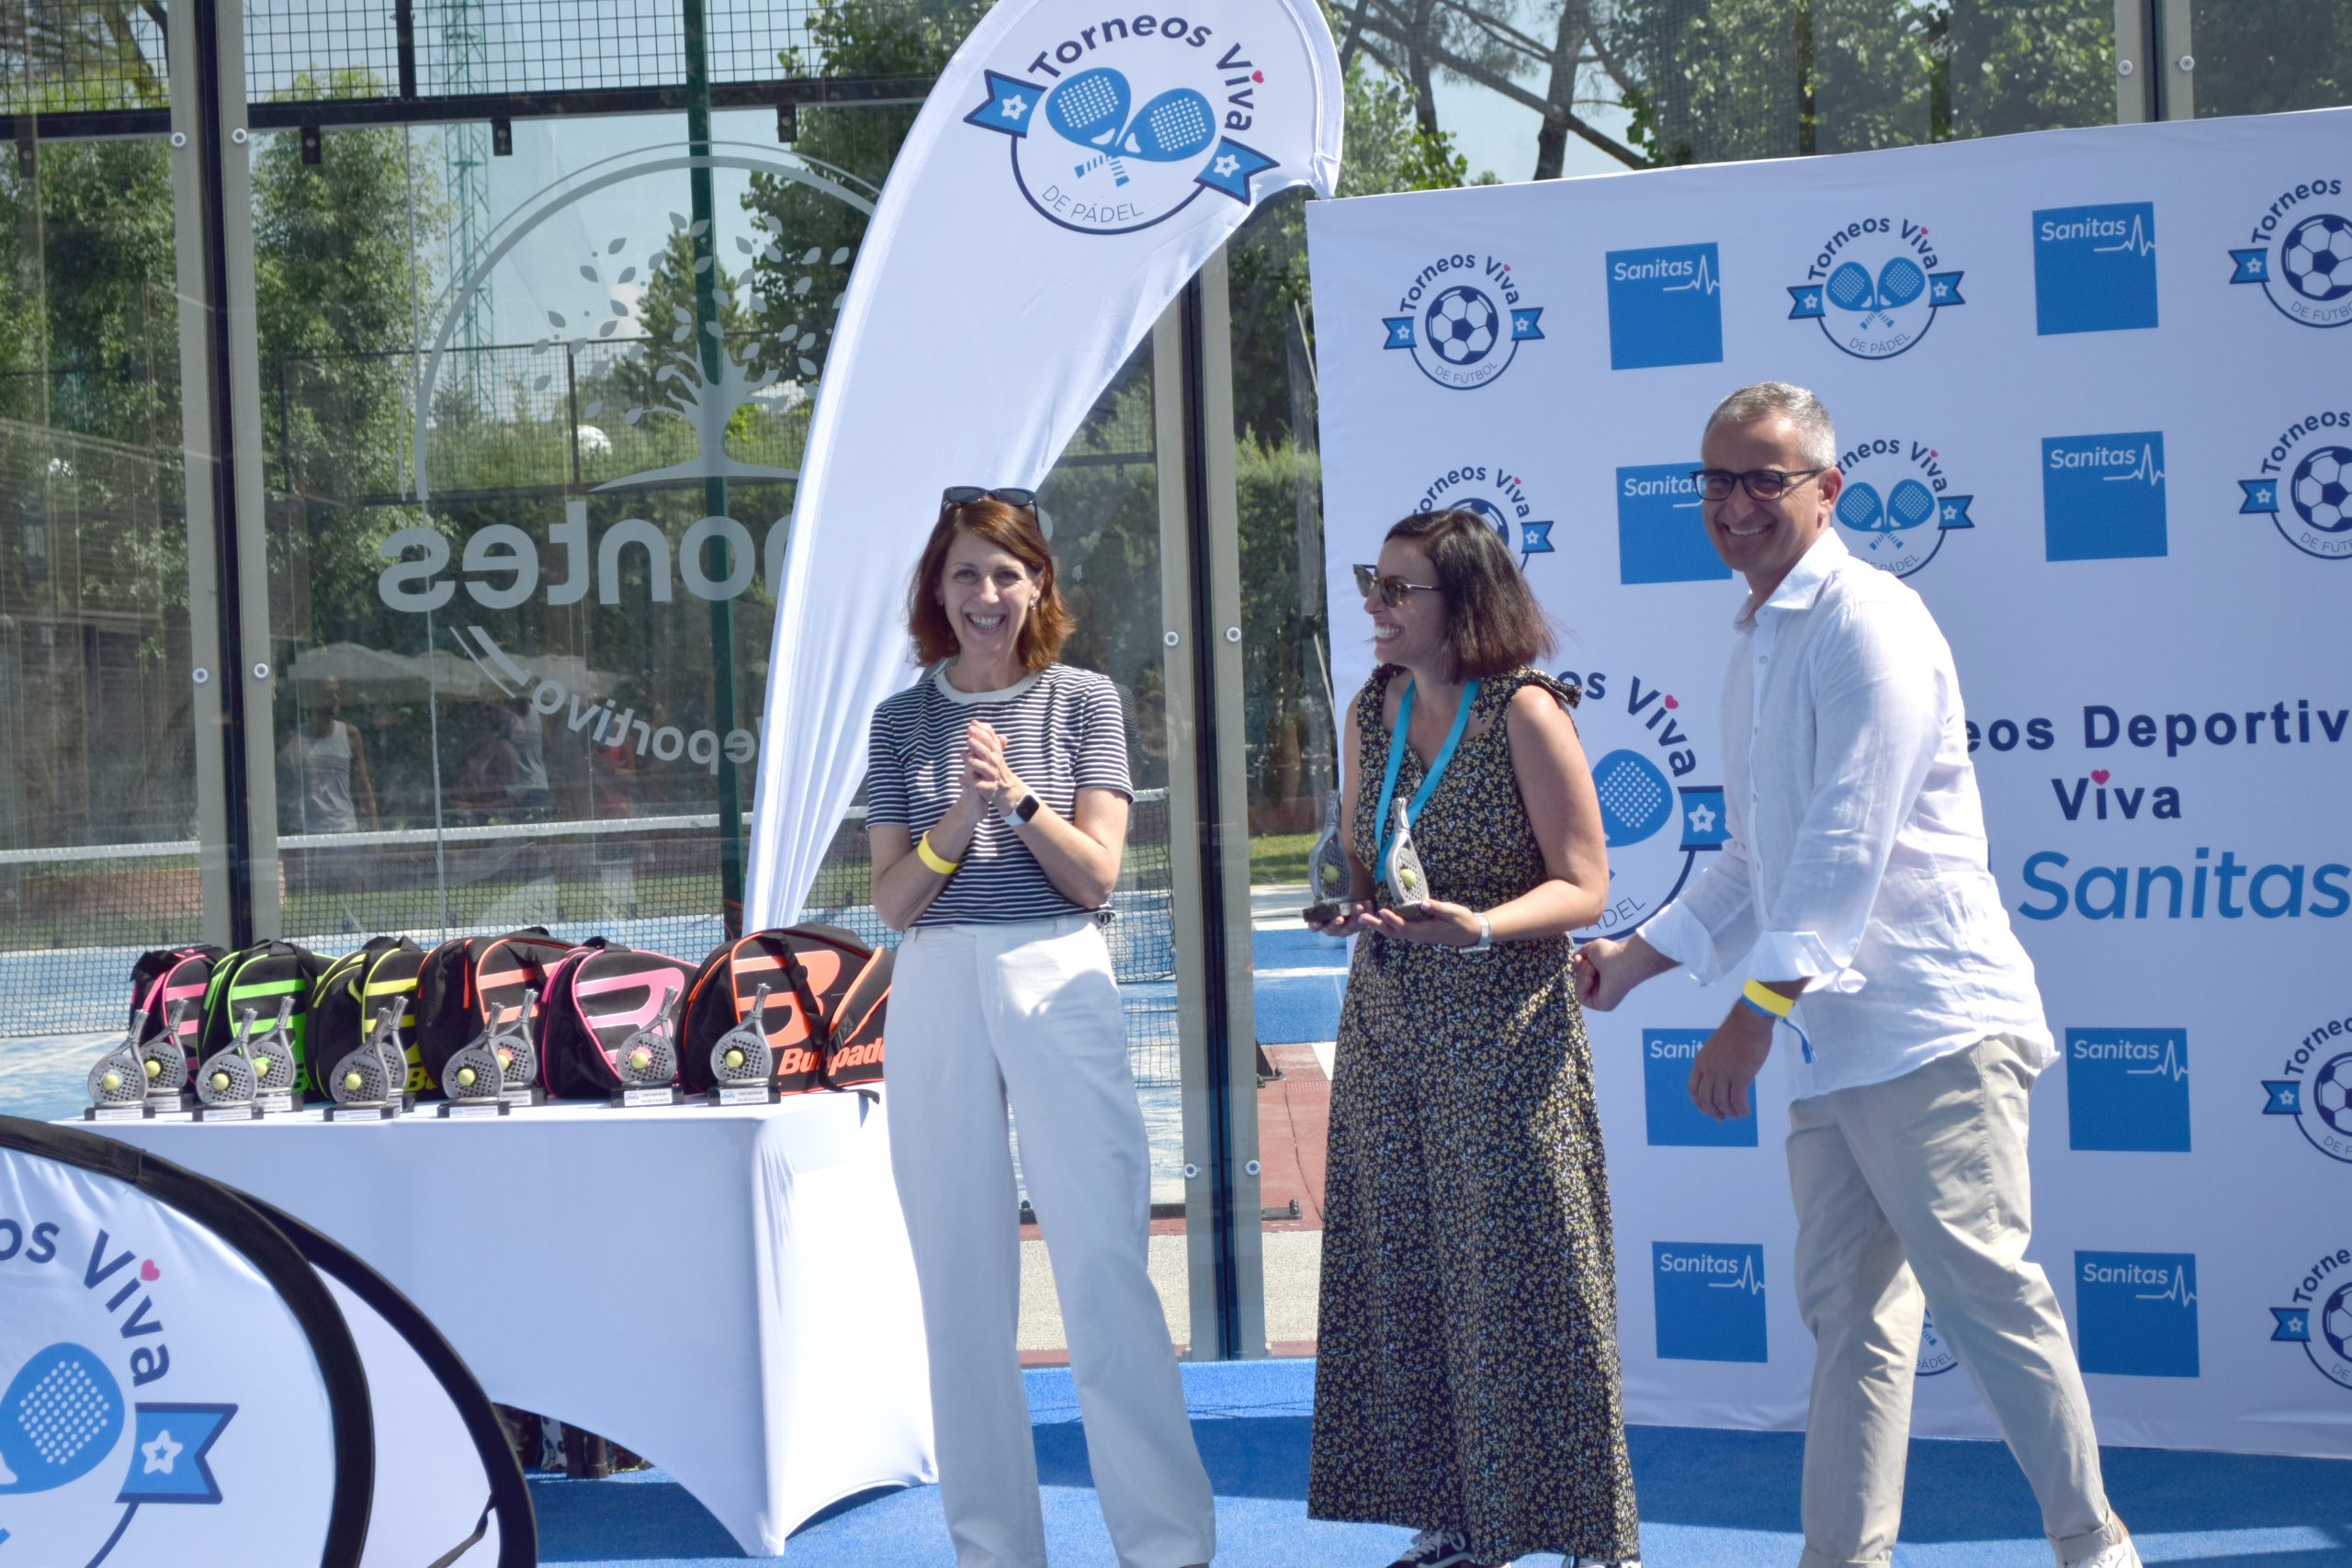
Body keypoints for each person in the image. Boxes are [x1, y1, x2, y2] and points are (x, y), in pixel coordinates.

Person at [1575, 383, 2141, 1568]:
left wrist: (1750, 1015)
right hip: (1837, 1042)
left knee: (1987, 1300)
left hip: (1934, 1028)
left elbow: (1845, 846)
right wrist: (1635, 960)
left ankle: (2097, 1551)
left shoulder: (1870, 621)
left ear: (1828, 490)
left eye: (1763, 479)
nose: (1733, 503)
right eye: (1715, 480)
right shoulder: (1759, 638)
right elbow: (1755, 861)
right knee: (1855, 1324)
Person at [865, 488, 1215, 1568]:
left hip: (1057, 969)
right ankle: (993, 1549)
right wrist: (958, 818)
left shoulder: (1083, 701)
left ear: (1038, 586)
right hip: (936, 982)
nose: (985, 594)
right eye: (965, 573)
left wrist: (1015, 796)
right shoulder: (899, 721)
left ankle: (1166, 1546)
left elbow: (1095, 875)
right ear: (937, 588)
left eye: (1005, 574)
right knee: (958, 1280)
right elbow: (894, 902)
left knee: (1103, 1262)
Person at [1306, 509, 1641, 1568]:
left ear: (1463, 603)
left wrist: (1482, 927)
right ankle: (1452, 1522)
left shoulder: (1524, 711)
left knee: (1536, 1274)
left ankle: (1590, 1535)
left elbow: (1585, 884)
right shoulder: (1373, 708)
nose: (1374, 604)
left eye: (1396, 588)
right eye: (1372, 581)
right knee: (1406, 1277)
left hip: (1504, 1033)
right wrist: (1347, 902)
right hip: (1391, 1030)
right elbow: (1365, 854)